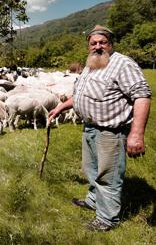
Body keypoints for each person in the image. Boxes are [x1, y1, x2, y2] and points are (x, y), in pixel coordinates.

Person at [48, 25, 151, 232]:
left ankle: (107, 219)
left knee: (108, 175)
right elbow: (79, 94)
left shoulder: (123, 64)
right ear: (89, 45)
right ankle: (94, 200)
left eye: (102, 42)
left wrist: (137, 134)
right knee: (91, 169)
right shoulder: (91, 64)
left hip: (110, 132)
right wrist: (60, 107)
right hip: (90, 128)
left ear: (110, 44)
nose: (97, 46)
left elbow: (142, 96)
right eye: (93, 43)